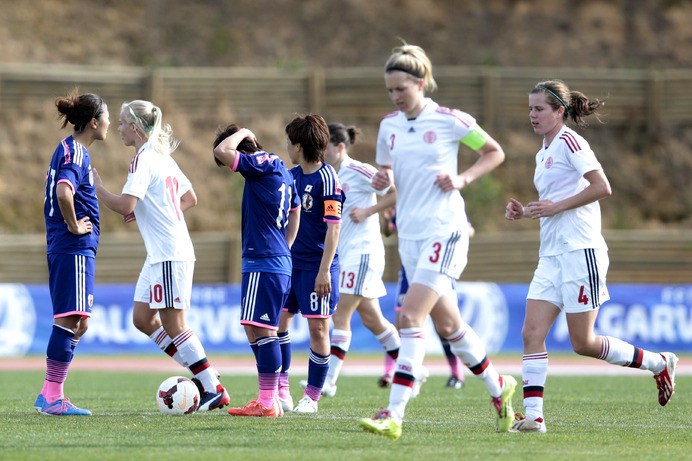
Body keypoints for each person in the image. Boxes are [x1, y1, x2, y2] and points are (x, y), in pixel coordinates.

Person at [504, 80, 678, 433]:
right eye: (530, 108)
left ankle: (658, 363)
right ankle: (534, 417)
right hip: (551, 254)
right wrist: (527, 212)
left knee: (583, 343)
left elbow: (602, 187)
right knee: (530, 332)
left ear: (559, 112)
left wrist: (556, 207)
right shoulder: (544, 150)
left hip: (580, 251)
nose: (532, 115)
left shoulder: (571, 142)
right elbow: (556, 201)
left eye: (539, 108)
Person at [359, 43, 513, 440]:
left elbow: (494, 152)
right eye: (390, 90)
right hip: (408, 236)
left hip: (444, 230)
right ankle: (501, 389)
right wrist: (382, 182)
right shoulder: (389, 126)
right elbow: (389, 177)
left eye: (402, 89)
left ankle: (394, 414)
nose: (396, 97)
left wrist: (462, 180)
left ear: (421, 83)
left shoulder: (450, 120)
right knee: (450, 326)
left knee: (409, 317)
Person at [94, 100, 229, 411]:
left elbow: (126, 205)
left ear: (136, 127)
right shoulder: (162, 158)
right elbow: (189, 198)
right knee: (143, 319)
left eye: (123, 122)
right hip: (160, 253)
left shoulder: (144, 160)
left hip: (169, 251)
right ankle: (202, 369)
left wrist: (99, 188)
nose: (118, 128)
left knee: (174, 323)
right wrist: (153, 212)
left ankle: (212, 386)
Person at [302, 122, 401, 398]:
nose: (322, 153)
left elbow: (395, 192)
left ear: (340, 147)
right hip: (347, 254)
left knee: (340, 314)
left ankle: (328, 382)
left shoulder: (359, 170)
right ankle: (410, 366)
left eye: (326, 148)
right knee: (372, 319)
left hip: (363, 251)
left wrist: (369, 210)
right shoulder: (327, 174)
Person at [213, 124, 300, 417]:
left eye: (229, 164)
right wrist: (285, 246)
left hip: (264, 260)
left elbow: (221, 150)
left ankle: (267, 403)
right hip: (274, 259)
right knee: (256, 329)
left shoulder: (261, 163)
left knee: (264, 331)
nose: (229, 168)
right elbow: (295, 209)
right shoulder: (282, 169)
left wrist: (243, 133)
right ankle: (268, 398)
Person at [36, 89, 110, 416]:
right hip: (73, 247)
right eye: (106, 116)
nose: (108, 122)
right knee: (72, 319)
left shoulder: (70, 149)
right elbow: (63, 191)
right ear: (94, 122)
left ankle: (50, 393)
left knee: (79, 323)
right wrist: (74, 225)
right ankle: (53, 397)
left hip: (70, 248)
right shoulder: (76, 152)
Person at [276, 114, 345, 414]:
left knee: (318, 329)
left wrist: (323, 271)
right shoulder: (290, 176)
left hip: (317, 266)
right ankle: (281, 388)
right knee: (278, 323)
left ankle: (312, 397)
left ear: (299, 145)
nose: (287, 147)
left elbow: (334, 228)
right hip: (289, 265)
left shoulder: (328, 178)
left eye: (289, 142)